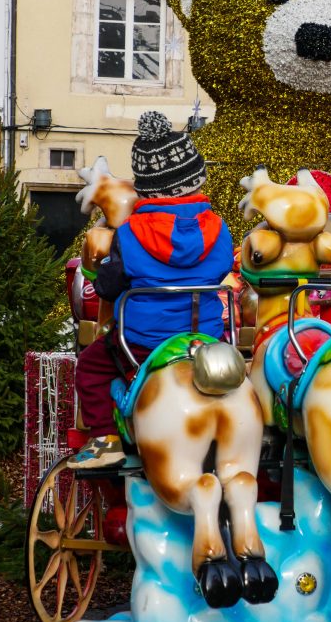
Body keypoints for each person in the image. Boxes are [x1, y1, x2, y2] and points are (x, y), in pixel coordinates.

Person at [67, 111, 234, 470]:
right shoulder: (219, 228)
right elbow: (222, 269)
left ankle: (106, 438)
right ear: (196, 178)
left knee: (91, 365)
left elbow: (110, 286)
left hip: (144, 341)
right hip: (204, 337)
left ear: (145, 186)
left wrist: (102, 274)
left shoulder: (128, 233)